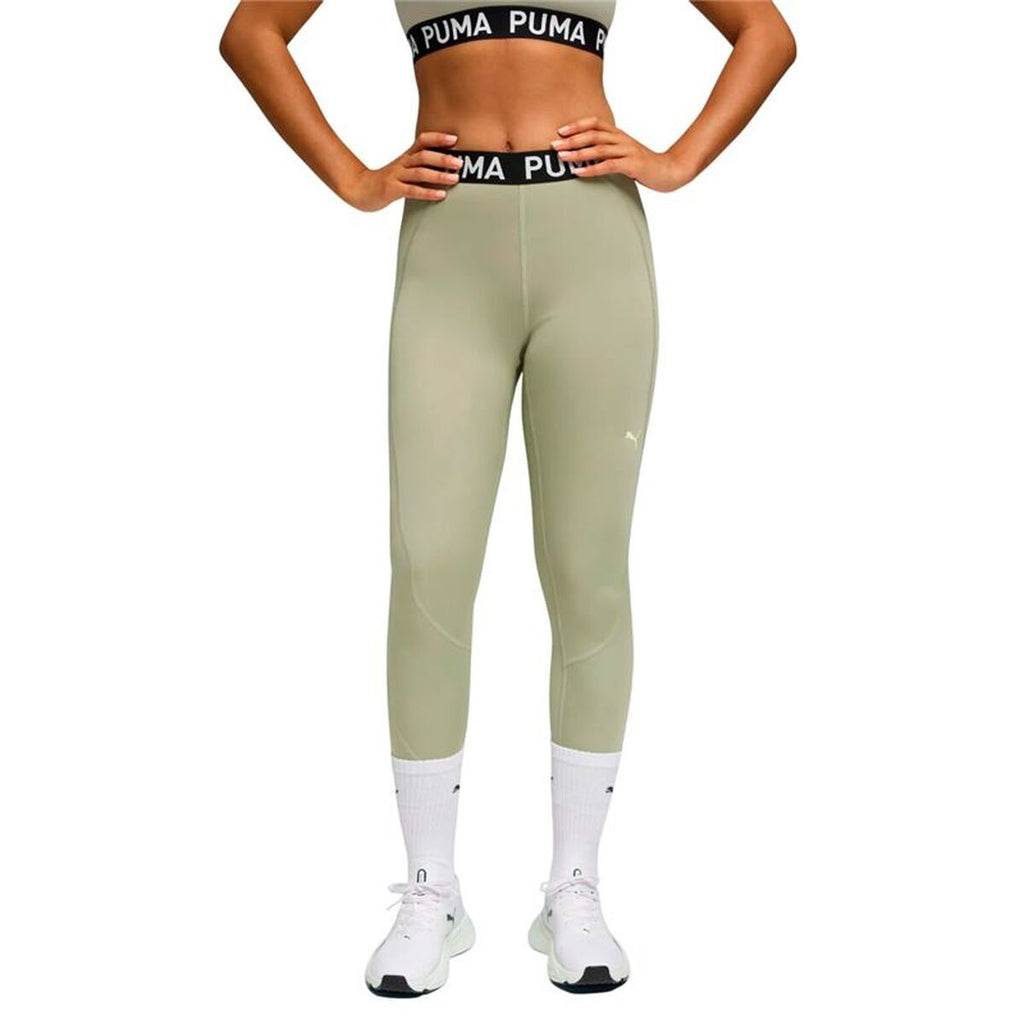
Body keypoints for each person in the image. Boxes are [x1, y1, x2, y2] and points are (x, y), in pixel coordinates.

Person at [220, 0, 796, 997]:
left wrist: (677, 160)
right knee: (430, 563)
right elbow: (251, 32)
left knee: (587, 571)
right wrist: (353, 178)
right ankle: (430, 890)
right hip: (452, 246)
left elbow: (766, 34)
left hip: (591, 245)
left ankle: (575, 887)